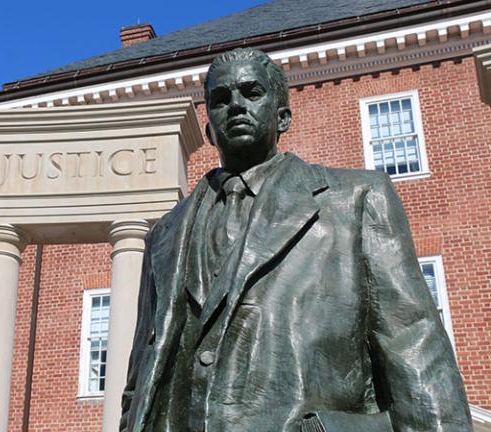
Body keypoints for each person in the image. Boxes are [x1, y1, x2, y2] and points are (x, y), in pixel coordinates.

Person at [119, 48, 472, 432]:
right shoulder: (164, 235)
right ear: (208, 130)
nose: (236, 106)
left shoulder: (355, 200)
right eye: (221, 100)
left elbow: (414, 345)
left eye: (252, 93)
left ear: (283, 115)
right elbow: (138, 382)